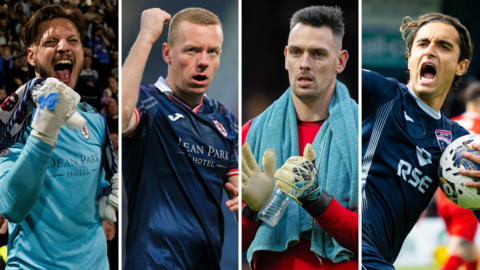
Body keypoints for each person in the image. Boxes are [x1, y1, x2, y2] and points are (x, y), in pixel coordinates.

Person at [0, 5, 117, 269]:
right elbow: (12, 207)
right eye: (51, 41)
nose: (64, 47)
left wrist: (107, 211)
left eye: (72, 40)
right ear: (31, 55)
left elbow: (96, 186)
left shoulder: (95, 120)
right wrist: (46, 125)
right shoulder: (12, 122)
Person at [241, 6, 358, 270]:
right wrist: (252, 209)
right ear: (286, 57)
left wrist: (315, 199)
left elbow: (374, 237)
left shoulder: (367, 133)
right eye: (296, 52)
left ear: (341, 61)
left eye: (318, 54)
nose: (304, 63)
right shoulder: (251, 134)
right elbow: (236, 242)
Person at [122, 7, 239, 270]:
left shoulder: (226, 121)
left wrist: (249, 202)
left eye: (213, 52)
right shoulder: (146, 103)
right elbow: (119, 116)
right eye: (192, 50)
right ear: (167, 53)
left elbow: (240, 195)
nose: (203, 61)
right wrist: (144, 38)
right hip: (151, 263)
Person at [361, 13, 480, 269]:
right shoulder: (381, 93)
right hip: (351, 246)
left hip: (379, 258)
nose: (430, 51)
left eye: (444, 46)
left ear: (461, 65)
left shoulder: (458, 144)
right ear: (409, 57)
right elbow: (329, 77)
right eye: (423, 44)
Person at [436, 81, 480, 270]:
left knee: (470, 251)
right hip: (469, 196)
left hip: (445, 197)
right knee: (459, 251)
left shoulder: (451, 125)